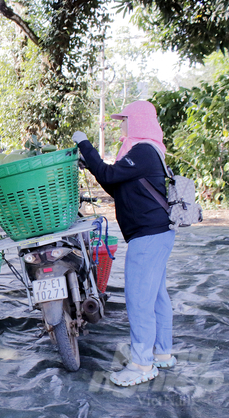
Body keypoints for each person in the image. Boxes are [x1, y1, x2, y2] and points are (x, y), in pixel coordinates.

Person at [72, 100, 176, 387]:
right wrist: (91, 162)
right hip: (155, 233)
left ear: (139, 120)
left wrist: (85, 146)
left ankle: (143, 363)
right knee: (156, 296)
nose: (122, 125)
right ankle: (162, 353)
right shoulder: (143, 151)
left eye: (125, 119)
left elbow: (108, 174)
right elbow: (114, 185)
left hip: (148, 236)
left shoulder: (143, 150)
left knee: (140, 301)